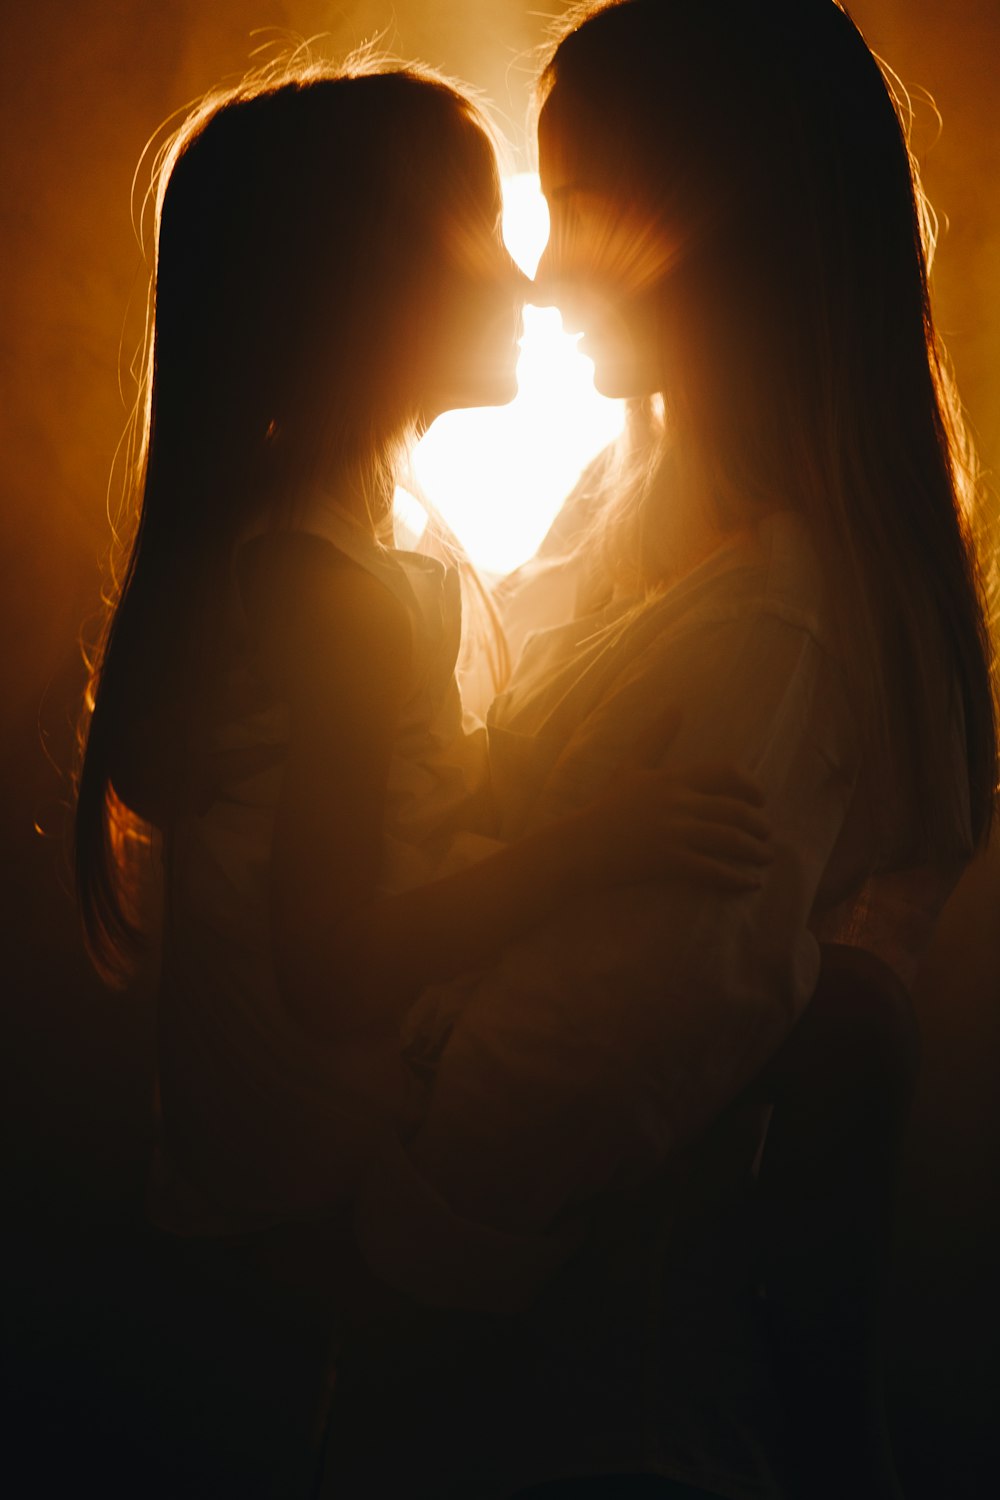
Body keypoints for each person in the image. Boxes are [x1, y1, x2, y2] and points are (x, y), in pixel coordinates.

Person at [339, 2, 998, 1495]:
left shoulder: (786, 623)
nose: (545, 265)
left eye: (579, 205)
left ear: (737, 224)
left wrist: (391, 1244)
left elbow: (612, 1029)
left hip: (577, 1390)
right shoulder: (638, 496)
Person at [73, 58, 772, 1237]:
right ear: (365, 288)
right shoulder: (327, 591)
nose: (526, 284)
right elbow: (333, 965)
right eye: (485, 236)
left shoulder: (347, 538)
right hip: (319, 1194)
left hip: (271, 1183)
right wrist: (592, 843)